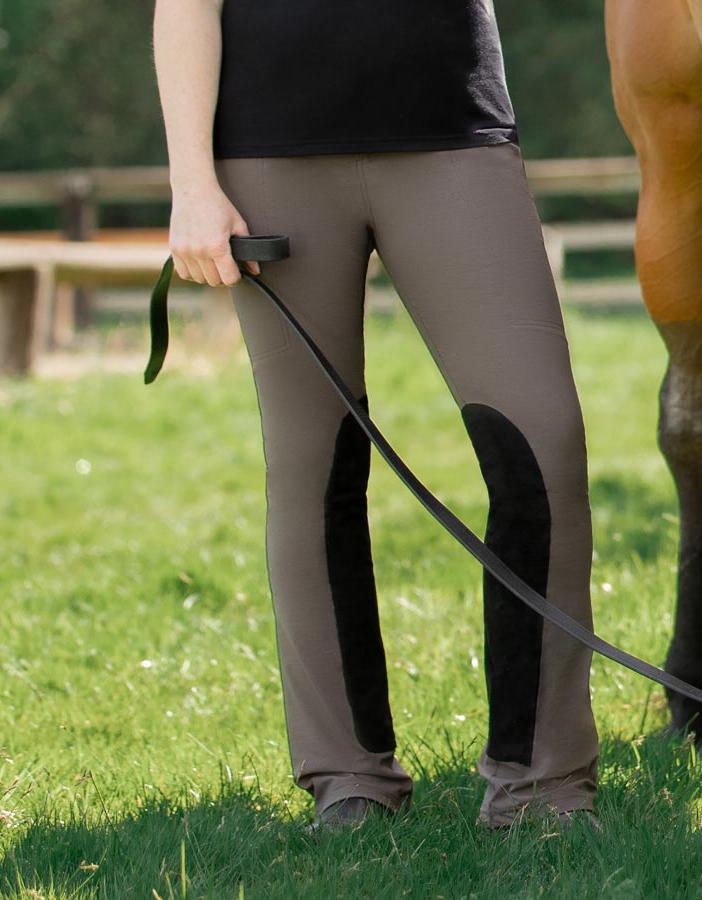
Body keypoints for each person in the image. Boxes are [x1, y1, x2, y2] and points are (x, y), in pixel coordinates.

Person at [151, 0, 599, 830]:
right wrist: (192, 184)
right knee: (311, 463)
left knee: (543, 440)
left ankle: (543, 783)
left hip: (453, 137)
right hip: (269, 151)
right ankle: (348, 775)